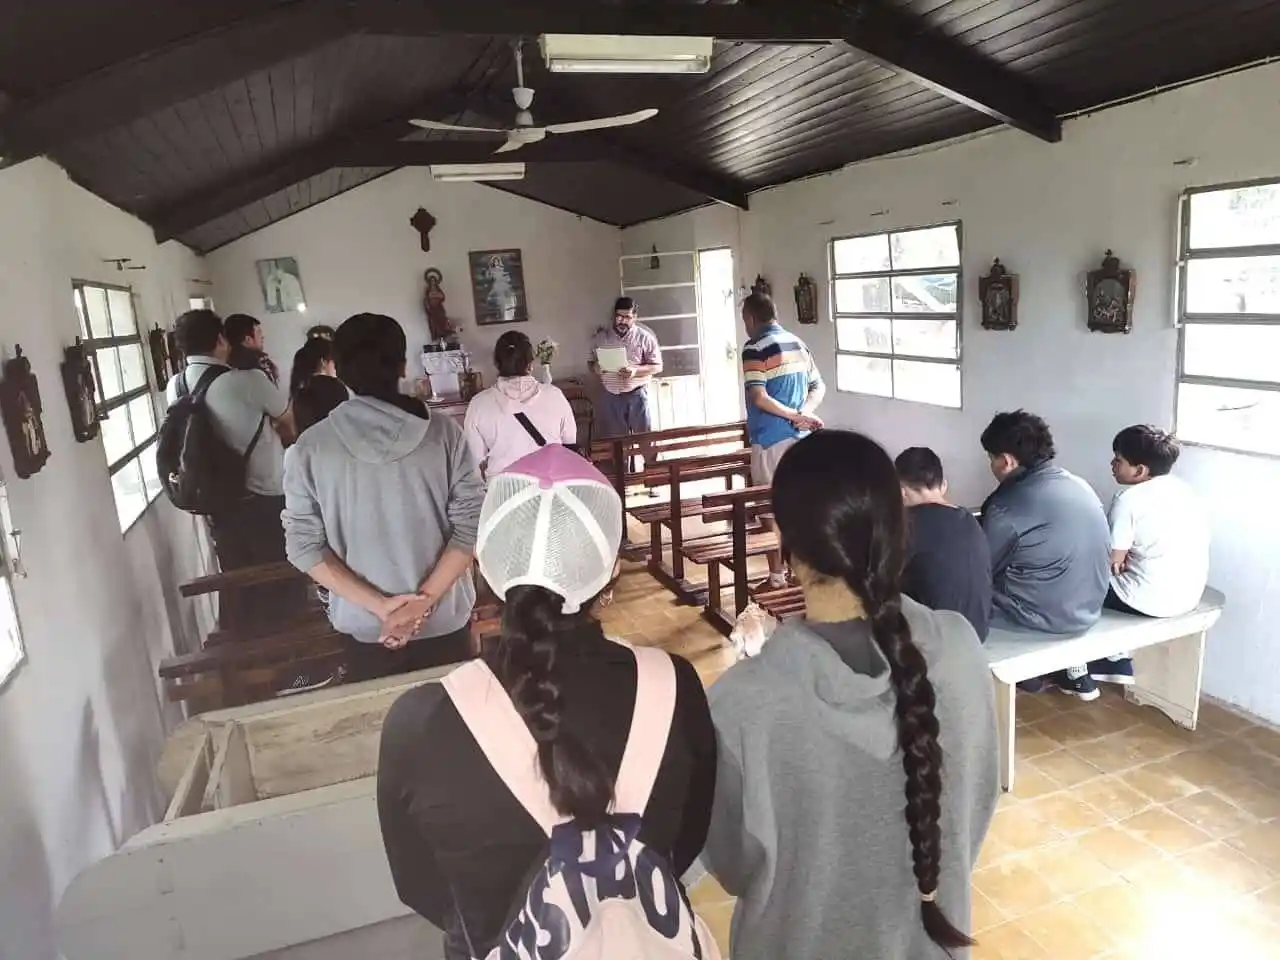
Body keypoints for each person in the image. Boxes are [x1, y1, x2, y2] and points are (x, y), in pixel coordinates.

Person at [376, 445, 716, 959]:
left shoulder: (421, 722)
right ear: (609, 576)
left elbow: (418, 885)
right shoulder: (675, 686)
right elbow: (686, 841)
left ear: (486, 572)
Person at [704, 430, 997, 960]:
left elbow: (731, 863)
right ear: (897, 523)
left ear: (782, 537)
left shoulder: (742, 704)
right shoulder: (960, 649)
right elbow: (974, 808)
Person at [282, 313, 485, 683]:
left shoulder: (309, 448)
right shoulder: (444, 435)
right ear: (403, 365)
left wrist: (382, 608)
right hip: (443, 617)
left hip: (367, 625)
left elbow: (303, 547)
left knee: (381, 730)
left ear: (338, 371)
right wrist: (423, 603)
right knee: (457, 727)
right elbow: (471, 526)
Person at [165, 309, 301, 628]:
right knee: (283, 577)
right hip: (264, 494)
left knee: (239, 578)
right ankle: (293, 655)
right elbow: (288, 421)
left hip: (216, 500)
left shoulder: (176, 386)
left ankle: (253, 646)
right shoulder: (247, 380)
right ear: (221, 339)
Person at [979, 410, 1110, 699]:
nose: (991, 465)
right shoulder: (1079, 484)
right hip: (1088, 608)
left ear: (1007, 461)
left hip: (1040, 618)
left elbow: (980, 567)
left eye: (991, 458)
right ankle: (1071, 672)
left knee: (954, 591)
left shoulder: (1006, 507)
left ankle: (1023, 676)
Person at [1093, 425, 1210, 684]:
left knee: (1078, 578)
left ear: (1140, 470)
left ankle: (1107, 659)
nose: (1112, 464)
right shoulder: (1185, 490)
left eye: (1118, 459)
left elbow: (1112, 560)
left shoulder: (1129, 499)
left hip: (1148, 601)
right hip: (1188, 595)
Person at [740, 291, 825, 588]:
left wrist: (792, 415)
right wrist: (802, 414)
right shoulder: (797, 343)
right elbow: (818, 387)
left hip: (770, 441)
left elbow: (759, 396)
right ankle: (805, 577)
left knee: (768, 508)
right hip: (800, 441)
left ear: (750, 318)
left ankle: (777, 577)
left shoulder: (754, 347)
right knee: (798, 508)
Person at [895, 446, 993, 641]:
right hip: (977, 634)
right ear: (944, 485)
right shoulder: (969, 520)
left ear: (901, 492)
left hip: (937, 644)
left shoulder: (907, 525)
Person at [462, 330, 576, 476]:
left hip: (504, 491)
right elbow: (569, 443)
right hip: (550, 488)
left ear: (497, 364)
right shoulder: (554, 395)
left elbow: (474, 458)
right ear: (530, 364)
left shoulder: (478, 404)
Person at [589, 297, 662, 441]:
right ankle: (623, 464)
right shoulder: (601, 337)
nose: (621, 321)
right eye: (618, 316)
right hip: (611, 396)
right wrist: (595, 368)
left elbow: (657, 366)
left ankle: (650, 463)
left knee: (645, 439)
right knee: (618, 444)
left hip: (637, 396)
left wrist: (635, 371)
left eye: (627, 317)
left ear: (634, 317)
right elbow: (590, 363)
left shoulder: (645, 337)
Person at [288, 336, 348, 435]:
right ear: (323, 362)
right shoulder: (336, 388)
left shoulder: (299, 389)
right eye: (334, 361)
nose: (336, 367)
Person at [224, 313, 279, 385]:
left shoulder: (228, 368)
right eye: (259, 332)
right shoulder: (258, 366)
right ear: (248, 339)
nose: (262, 336)